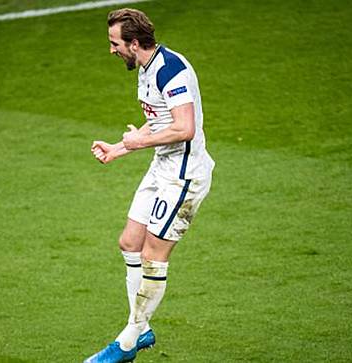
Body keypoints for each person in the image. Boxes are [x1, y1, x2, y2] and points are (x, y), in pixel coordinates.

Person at [84, 8, 215, 363]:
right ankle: (140, 330)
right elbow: (157, 123)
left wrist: (137, 144)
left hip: (183, 176)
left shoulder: (170, 70)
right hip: (162, 166)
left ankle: (127, 341)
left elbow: (185, 127)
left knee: (152, 257)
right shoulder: (145, 68)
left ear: (135, 43)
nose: (112, 50)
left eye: (115, 44)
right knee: (129, 241)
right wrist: (119, 148)